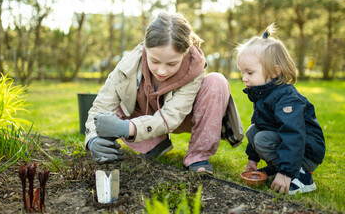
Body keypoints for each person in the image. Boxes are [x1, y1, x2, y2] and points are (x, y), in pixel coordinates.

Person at [85, 12, 244, 174]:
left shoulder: (193, 66)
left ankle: (198, 156)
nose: (161, 70)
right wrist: (93, 139)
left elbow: (172, 115)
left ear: (185, 53)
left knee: (217, 81)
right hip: (144, 115)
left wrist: (127, 128)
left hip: (185, 116)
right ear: (146, 48)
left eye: (172, 63)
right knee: (119, 106)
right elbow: (101, 105)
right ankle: (155, 144)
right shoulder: (128, 65)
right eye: (154, 61)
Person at [236, 23, 326, 194]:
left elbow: (293, 135)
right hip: (291, 145)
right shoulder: (262, 93)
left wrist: (285, 172)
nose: (244, 78)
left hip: (306, 151)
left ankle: (300, 176)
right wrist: (252, 158)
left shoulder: (286, 99)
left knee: (262, 138)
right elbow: (261, 124)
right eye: (242, 73)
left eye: (249, 73)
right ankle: (279, 169)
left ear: (274, 72)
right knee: (253, 131)